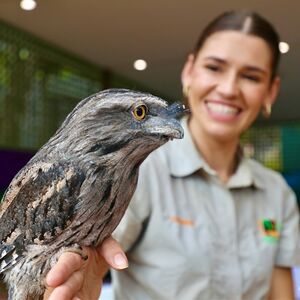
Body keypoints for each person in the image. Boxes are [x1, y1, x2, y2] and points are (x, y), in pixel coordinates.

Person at [45, 10, 300, 300]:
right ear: (189, 70)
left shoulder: (277, 193)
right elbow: (92, 256)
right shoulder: (136, 170)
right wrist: (78, 275)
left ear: (271, 91)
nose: (229, 89)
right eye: (215, 68)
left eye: (251, 76)